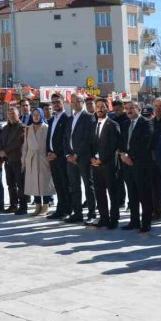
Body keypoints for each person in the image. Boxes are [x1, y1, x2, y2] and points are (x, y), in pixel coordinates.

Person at [119, 101, 155, 233]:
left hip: (141, 165)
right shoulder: (125, 123)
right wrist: (123, 154)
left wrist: (130, 157)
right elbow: (122, 142)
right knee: (132, 194)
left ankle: (146, 223)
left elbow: (145, 144)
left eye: (132, 108)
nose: (128, 110)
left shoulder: (146, 123)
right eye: (126, 108)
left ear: (139, 109)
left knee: (144, 195)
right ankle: (134, 221)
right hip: (127, 165)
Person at [89, 97, 121, 229]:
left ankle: (114, 219)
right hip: (96, 166)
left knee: (112, 193)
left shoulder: (113, 125)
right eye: (98, 107)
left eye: (102, 106)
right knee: (99, 193)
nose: (100, 109)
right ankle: (104, 218)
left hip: (109, 166)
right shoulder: (93, 125)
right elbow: (90, 144)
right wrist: (92, 159)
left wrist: (102, 160)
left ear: (107, 108)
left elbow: (114, 146)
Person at [64, 94, 96, 224]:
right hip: (71, 159)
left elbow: (88, 139)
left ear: (82, 102)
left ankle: (92, 213)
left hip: (83, 158)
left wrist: (77, 154)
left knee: (89, 186)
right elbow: (66, 138)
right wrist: (68, 155)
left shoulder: (89, 117)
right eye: (72, 101)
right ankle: (77, 213)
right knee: (74, 187)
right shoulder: (70, 119)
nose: (75, 103)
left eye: (77, 101)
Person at [23, 107, 55, 216]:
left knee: (44, 182)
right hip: (31, 157)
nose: (36, 116)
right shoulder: (28, 129)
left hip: (43, 157)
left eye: (37, 114)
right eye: (34, 115)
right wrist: (24, 160)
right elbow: (25, 146)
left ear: (41, 115)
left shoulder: (47, 127)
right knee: (34, 183)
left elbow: (50, 144)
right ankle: (37, 205)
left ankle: (46, 205)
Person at [46, 94, 71, 220]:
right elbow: (49, 138)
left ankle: (67, 209)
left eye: (58, 101)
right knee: (58, 185)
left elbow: (65, 140)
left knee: (65, 184)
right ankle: (60, 209)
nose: (55, 104)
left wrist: (57, 153)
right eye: (53, 102)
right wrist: (48, 152)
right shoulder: (52, 119)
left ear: (63, 102)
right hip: (52, 158)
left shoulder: (67, 118)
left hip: (61, 157)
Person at [0, 106, 26, 214]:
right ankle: (13, 205)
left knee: (20, 184)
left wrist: (5, 151)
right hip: (8, 161)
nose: (11, 115)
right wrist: (0, 151)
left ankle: (23, 206)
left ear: (18, 114)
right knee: (10, 184)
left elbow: (18, 141)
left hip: (18, 160)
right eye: (9, 114)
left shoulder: (22, 126)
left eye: (13, 113)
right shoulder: (5, 128)